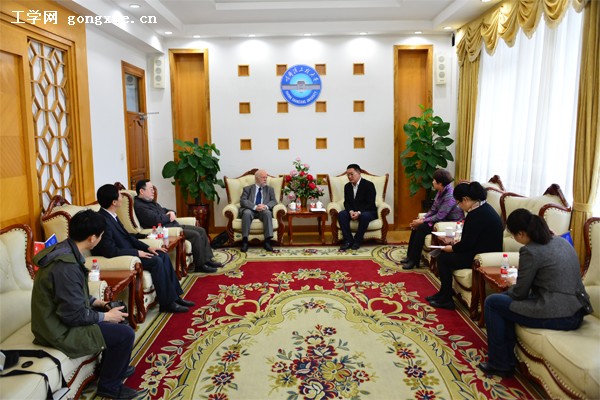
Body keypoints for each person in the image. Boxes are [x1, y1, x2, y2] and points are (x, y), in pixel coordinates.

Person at [31, 210, 141, 399]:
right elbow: (73, 316)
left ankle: (110, 367)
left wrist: (99, 303)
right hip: (58, 330)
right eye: (101, 235)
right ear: (92, 238)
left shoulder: (65, 249)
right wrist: (106, 316)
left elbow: (72, 294)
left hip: (59, 317)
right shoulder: (65, 267)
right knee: (125, 334)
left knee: (116, 315)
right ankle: (109, 386)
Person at [478, 208, 588, 378]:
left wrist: (509, 291)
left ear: (521, 234)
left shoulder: (530, 251)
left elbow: (519, 293)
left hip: (559, 315)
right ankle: (507, 359)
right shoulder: (562, 242)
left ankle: (499, 363)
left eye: (513, 235)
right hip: (577, 311)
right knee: (502, 302)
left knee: (493, 302)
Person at [93, 184, 194, 313]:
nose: (122, 198)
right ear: (114, 202)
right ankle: (167, 304)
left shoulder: (112, 215)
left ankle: (175, 297)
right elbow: (110, 251)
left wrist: (148, 247)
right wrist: (137, 253)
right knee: (156, 261)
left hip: (130, 251)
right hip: (124, 257)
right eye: (120, 196)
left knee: (162, 255)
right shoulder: (103, 220)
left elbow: (128, 237)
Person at [427, 181, 503, 309]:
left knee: (443, 259)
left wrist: (452, 248)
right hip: (480, 251)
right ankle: (444, 293)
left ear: (466, 199)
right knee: (444, 255)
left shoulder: (476, 215)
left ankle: (446, 299)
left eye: (458, 203)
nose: (459, 206)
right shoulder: (484, 208)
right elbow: (470, 239)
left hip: (482, 257)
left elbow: (467, 243)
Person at [134, 179, 222, 273]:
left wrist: (171, 212)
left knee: (201, 230)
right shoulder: (140, 206)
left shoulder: (149, 201)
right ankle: (200, 265)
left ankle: (207, 260)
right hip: (168, 230)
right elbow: (156, 220)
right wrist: (169, 216)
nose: (153, 191)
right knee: (195, 235)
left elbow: (164, 210)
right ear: (142, 191)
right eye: (151, 189)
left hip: (174, 225)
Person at [401, 169, 464, 270]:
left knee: (421, 227)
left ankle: (414, 261)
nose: (432, 182)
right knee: (416, 226)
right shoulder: (440, 191)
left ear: (440, 183)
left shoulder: (450, 196)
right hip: (441, 219)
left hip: (449, 223)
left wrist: (422, 221)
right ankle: (410, 257)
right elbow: (433, 209)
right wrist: (422, 218)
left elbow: (440, 215)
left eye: (434, 180)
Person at [338, 164, 377, 251]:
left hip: (368, 211)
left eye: (352, 174)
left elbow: (370, 203)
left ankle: (357, 241)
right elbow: (346, 202)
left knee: (364, 216)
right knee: (341, 214)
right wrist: (351, 211)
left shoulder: (369, 185)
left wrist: (359, 212)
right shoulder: (347, 186)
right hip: (353, 211)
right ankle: (348, 240)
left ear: (359, 173)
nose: (349, 177)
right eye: (348, 175)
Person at [239, 169, 277, 252]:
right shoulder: (247, 189)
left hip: (263, 210)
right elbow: (243, 201)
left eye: (266, 177)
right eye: (263, 177)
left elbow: (274, 201)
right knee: (246, 213)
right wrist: (255, 207)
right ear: (257, 178)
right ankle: (245, 241)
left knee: (268, 213)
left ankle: (267, 241)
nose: (265, 179)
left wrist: (265, 206)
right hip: (250, 209)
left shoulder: (270, 189)